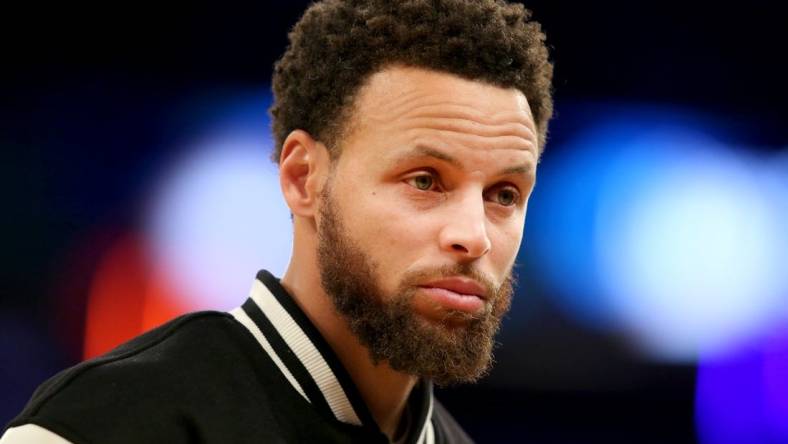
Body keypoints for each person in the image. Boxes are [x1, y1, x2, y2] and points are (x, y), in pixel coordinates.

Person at [1, 0, 553, 442]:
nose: (474, 235)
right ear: (302, 177)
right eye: (425, 180)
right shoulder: (100, 426)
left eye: (504, 194)